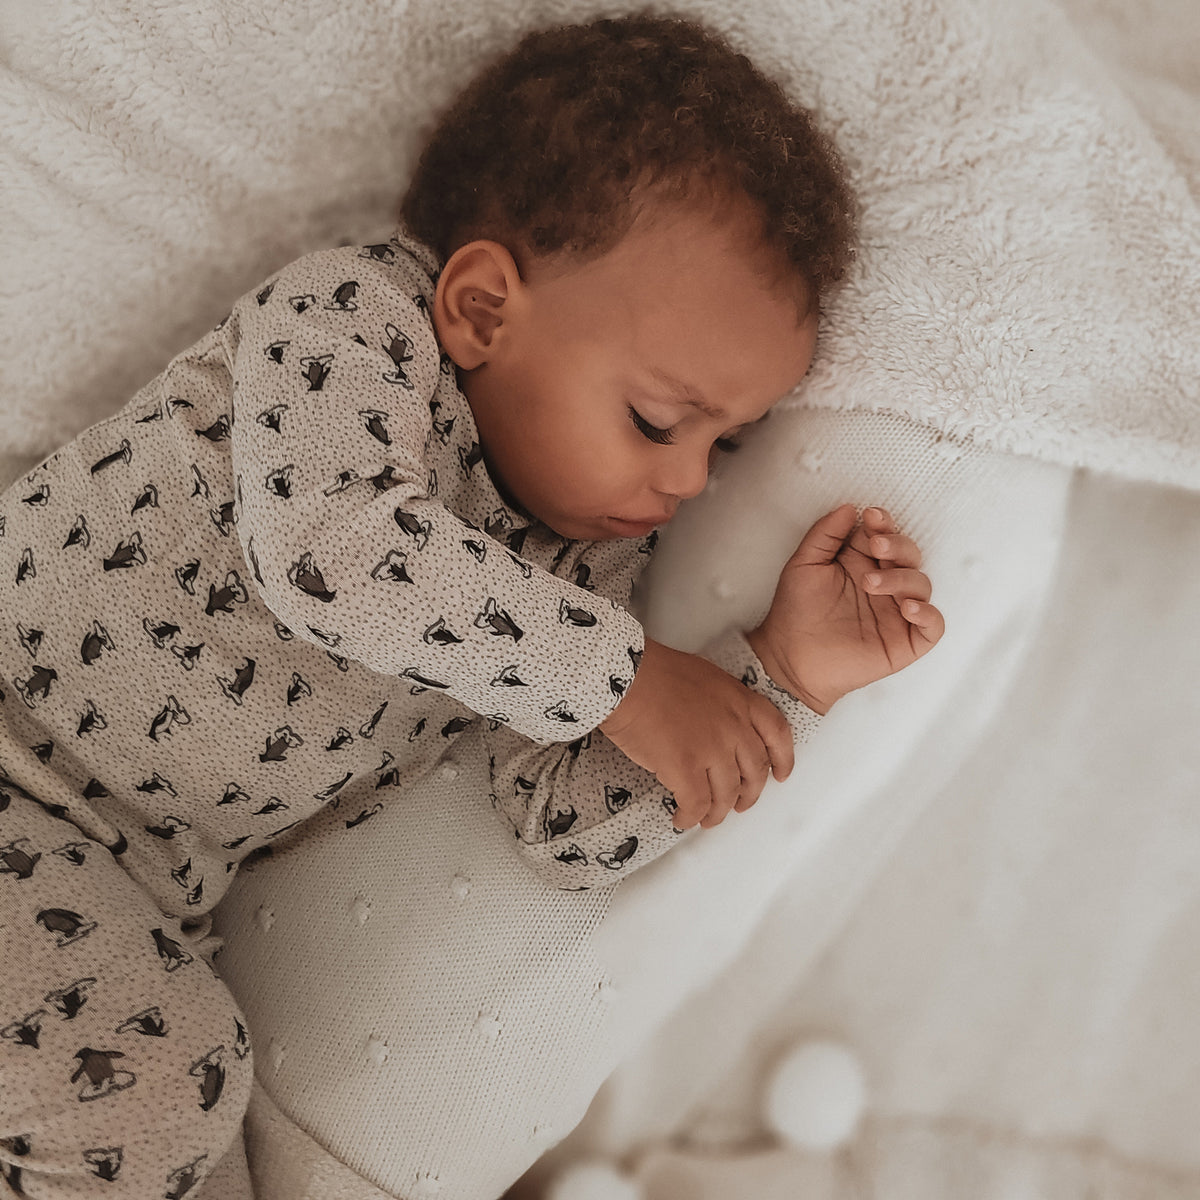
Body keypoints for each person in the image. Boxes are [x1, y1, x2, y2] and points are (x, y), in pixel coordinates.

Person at [0, 13, 942, 1198]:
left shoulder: (573, 579)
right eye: (659, 420)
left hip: (115, 892)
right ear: (484, 310)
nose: (689, 481)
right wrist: (633, 681)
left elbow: (561, 828)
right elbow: (340, 555)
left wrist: (774, 680)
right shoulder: (349, 324)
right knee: (162, 1086)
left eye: (730, 444)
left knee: (160, 1076)